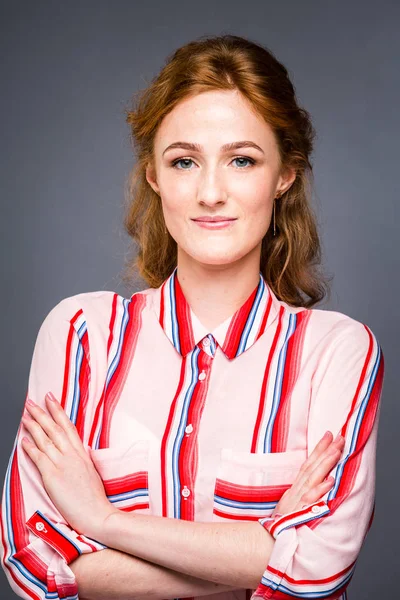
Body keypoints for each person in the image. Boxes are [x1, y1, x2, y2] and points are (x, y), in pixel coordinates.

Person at [0, 34, 384, 600]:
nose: (210, 192)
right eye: (184, 161)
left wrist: (104, 522)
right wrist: (263, 549)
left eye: (242, 160)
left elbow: (318, 572)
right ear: (154, 175)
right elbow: (33, 563)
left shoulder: (336, 352)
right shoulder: (80, 335)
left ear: (285, 174)